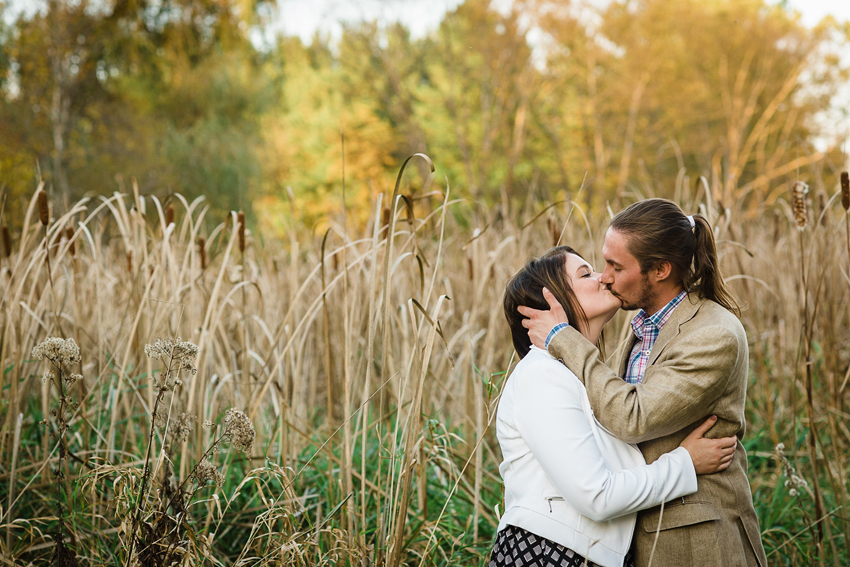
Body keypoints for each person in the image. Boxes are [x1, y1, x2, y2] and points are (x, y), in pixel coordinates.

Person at [518, 199, 767, 567]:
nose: (604, 276)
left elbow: (633, 418)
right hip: (640, 529)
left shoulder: (713, 334)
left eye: (616, 266)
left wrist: (562, 336)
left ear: (661, 270)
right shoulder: (641, 328)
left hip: (698, 539)